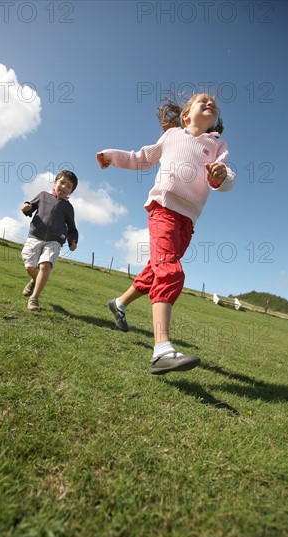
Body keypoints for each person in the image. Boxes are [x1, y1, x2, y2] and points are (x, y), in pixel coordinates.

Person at [96, 93, 236, 375]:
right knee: (170, 271)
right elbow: (142, 158)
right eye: (202, 101)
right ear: (186, 116)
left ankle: (119, 303)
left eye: (213, 104)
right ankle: (161, 350)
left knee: (155, 269)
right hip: (163, 209)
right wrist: (112, 156)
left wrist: (220, 176)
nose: (209, 104)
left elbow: (226, 178)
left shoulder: (217, 144)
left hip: (188, 221)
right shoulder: (172, 136)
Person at [21, 170, 78, 311]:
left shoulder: (68, 207)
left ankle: (33, 299)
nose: (64, 187)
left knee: (45, 265)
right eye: (62, 182)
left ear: (71, 191)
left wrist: (73, 240)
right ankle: (34, 279)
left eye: (69, 186)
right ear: (55, 182)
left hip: (55, 240)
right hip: (35, 235)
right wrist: (26, 207)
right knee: (30, 268)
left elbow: (72, 228)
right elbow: (30, 206)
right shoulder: (43, 195)